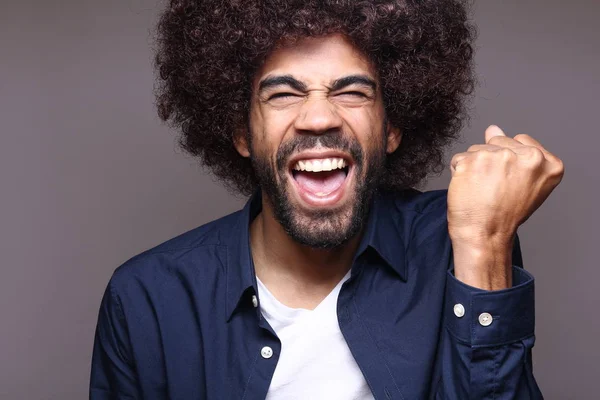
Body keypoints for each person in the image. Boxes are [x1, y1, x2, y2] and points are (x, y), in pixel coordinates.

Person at [90, 1, 564, 399]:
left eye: (353, 92)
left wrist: (484, 242)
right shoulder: (147, 297)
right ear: (242, 133)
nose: (318, 118)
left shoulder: (461, 238)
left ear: (391, 127)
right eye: (282, 95)